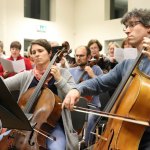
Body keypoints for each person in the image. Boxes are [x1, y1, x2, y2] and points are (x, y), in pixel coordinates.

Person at [62, 8, 150, 149]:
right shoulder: (127, 64)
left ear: (148, 28)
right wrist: (77, 90)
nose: (127, 30)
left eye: (132, 25)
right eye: (126, 26)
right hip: (119, 136)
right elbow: (100, 82)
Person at [1, 39, 78, 149]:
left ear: (50, 53)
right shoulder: (26, 76)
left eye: (40, 51)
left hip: (53, 125)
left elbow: (73, 94)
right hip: (24, 125)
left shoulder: (64, 73)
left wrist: (59, 79)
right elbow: (2, 85)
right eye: (33, 52)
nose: (36, 54)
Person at [69, 45, 103, 148]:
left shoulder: (96, 69)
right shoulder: (71, 71)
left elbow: (103, 86)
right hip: (75, 105)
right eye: (77, 55)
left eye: (82, 56)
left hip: (92, 106)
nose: (78, 58)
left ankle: (87, 144)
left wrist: (93, 75)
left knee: (92, 117)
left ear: (88, 57)